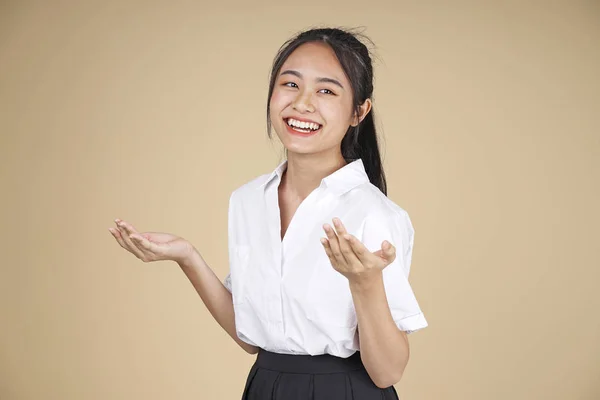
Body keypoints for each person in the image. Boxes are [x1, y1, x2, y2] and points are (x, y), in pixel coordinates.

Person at [109, 27, 427, 399]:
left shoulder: (373, 213)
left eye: (326, 90)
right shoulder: (247, 201)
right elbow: (251, 338)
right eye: (290, 84)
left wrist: (365, 284)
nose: (303, 103)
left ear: (359, 111)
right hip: (266, 387)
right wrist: (187, 257)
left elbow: (388, 370)